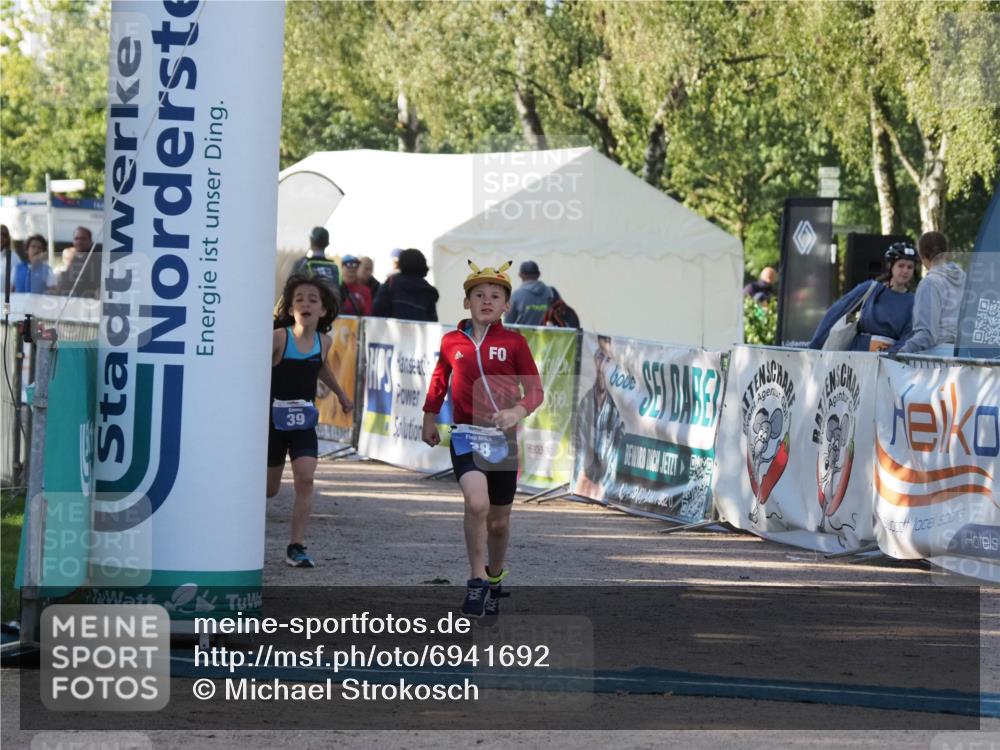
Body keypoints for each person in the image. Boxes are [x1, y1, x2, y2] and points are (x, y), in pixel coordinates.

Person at [422, 260, 544, 618]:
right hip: (465, 436)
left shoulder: (515, 342)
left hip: (502, 441)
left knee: (499, 522)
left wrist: (516, 412)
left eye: (495, 295)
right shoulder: (451, 342)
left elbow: (535, 391)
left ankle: (494, 579)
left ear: (507, 304)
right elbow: (439, 381)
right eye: (478, 294)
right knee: (477, 503)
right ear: (466, 302)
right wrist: (430, 417)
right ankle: (476, 581)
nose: (486, 300)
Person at [267, 274, 354, 568]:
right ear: (290, 309)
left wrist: (342, 394)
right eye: (299, 299)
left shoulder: (324, 341)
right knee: (269, 490)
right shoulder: (278, 338)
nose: (305, 303)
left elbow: (320, 367)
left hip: (303, 422)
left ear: (324, 310)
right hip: (272, 424)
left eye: (312, 299)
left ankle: (296, 545)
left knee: (306, 478)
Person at [808, 243, 917, 352]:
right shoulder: (870, 289)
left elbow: (908, 336)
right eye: (901, 265)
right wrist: (814, 347)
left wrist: (891, 354)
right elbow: (837, 313)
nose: (905, 271)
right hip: (854, 358)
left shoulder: (913, 302)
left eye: (910, 267)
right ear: (890, 266)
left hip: (887, 362)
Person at [889, 231, 966, 356]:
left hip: (938, 359)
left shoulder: (929, 283)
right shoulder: (966, 279)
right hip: (964, 356)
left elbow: (927, 334)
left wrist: (900, 353)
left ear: (921, 255)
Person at [572, 336, 625, 501]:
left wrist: (604, 487)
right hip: (584, 484)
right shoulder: (586, 401)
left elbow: (614, 455)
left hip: (605, 487)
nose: (603, 364)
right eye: (600, 356)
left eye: (608, 359)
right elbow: (579, 446)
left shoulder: (617, 406)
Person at [371, 248, 439, 322]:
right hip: (417, 333)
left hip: (391, 331)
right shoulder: (428, 291)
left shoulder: (392, 283)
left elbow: (377, 310)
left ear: (401, 263)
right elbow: (432, 321)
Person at [290, 226, 340, 291]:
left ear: (311, 241)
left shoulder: (301, 265)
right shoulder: (334, 268)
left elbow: (289, 289)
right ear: (327, 244)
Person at [505, 260, 555, 326]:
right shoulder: (551, 292)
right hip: (546, 336)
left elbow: (508, 324)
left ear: (520, 275)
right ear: (539, 274)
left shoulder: (516, 295)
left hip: (522, 336)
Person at [56, 226, 101, 298]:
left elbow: (99, 286)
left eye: (83, 238)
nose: (79, 241)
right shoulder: (68, 257)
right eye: (76, 239)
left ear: (90, 241)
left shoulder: (97, 260)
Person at [1, 224, 24, 297]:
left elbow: (19, 277)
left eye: (4, 235)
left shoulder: (12, 257)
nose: (1, 237)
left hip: (5, 300)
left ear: (7, 238)